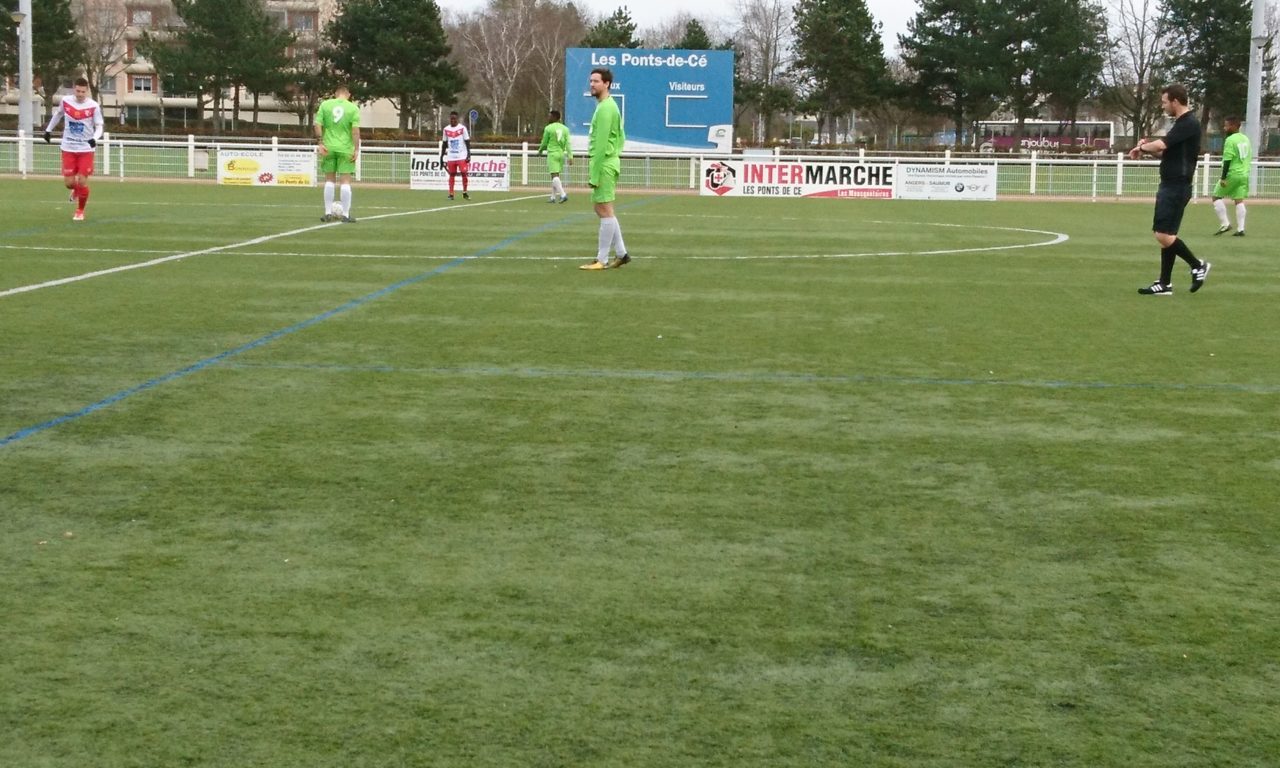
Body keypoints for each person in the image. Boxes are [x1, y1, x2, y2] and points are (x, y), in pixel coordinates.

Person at [1128, 84, 1210, 296]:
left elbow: (1162, 145)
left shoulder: (1188, 123)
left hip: (1177, 185)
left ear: (1175, 101)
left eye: (1165, 102)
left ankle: (1197, 265)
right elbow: (1166, 153)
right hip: (1170, 184)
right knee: (1167, 235)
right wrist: (1147, 150)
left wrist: (1142, 147)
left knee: (1163, 235)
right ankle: (1164, 283)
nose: (1163, 106)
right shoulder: (1181, 124)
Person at [579, 68, 630, 271]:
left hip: (605, 163)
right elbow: (621, 137)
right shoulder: (607, 106)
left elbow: (601, 144)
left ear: (607, 84)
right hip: (608, 161)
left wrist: (595, 173)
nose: (592, 84)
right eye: (591, 81)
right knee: (601, 208)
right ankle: (621, 253)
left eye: (596, 81)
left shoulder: (606, 108)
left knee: (604, 209)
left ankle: (602, 259)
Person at [44, 77, 103, 222]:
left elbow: (99, 126)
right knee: (69, 183)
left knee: (82, 181)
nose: (80, 94)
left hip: (85, 149)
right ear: (74, 89)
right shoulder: (66, 101)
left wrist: (94, 139)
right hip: (68, 147)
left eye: (83, 91)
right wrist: (48, 130)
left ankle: (80, 211)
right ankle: (75, 190)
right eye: (78, 91)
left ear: (87, 91)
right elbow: (58, 115)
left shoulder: (93, 106)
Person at [315, 84, 360, 223]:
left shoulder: (325, 105)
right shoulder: (353, 108)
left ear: (335, 94)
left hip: (328, 146)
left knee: (329, 180)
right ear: (348, 95)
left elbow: (317, 124)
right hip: (345, 148)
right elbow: (355, 131)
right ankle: (345, 215)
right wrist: (356, 148)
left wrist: (320, 142)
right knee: (345, 181)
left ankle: (328, 213)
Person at [1211, 115, 1250, 237]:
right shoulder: (1245, 139)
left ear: (1233, 126)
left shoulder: (1230, 140)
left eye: (1226, 125)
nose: (1224, 128)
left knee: (1216, 197)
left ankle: (1225, 224)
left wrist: (1223, 177)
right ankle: (1241, 229)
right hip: (1244, 174)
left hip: (1232, 173)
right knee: (1239, 201)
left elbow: (1227, 160)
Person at [537, 109, 571, 204]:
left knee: (554, 176)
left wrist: (540, 150)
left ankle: (563, 195)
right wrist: (570, 155)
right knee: (556, 176)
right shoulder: (565, 129)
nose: (548, 118)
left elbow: (544, 142)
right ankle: (553, 197)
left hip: (552, 153)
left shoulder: (548, 128)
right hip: (561, 154)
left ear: (555, 117)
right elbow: (568, 143)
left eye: (550, 116)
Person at [440, 111, 470, 201]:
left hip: (461, 156)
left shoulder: (462, 128)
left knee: (464, 174)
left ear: (457, 119)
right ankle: (451, 194)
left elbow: (467, 141)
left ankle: (464, 192)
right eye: (451, 119)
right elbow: (444, 144)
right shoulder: (446, 129)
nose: (453, 120)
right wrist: (441, 156)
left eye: (454, 119)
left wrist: (469, 154)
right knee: (451, 175)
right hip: (451, 156)